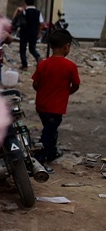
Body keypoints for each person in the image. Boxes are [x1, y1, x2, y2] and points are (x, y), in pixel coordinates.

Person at [32, 29, 80, 171]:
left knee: (50, 129)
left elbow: (35, 84)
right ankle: (41, 159)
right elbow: (76, 85)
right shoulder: (70, 66)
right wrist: (66, 92)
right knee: (49, 133)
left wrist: (42, 92)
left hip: (41, 105)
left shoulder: (43, 64)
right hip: (56, 107)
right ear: (67, 46)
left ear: (51, 46)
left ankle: (52, 152)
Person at [13, 0, 43, 71]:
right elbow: (41, 23)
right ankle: (38, 57)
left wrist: (17, 10)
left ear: (25, 3)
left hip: (24, 33)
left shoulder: (23, 11)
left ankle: (24, 65)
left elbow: (14, 20)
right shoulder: (38, 12)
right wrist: (38, 33)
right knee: (32, 48)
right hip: (34, 33)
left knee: (22, 49)